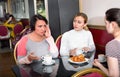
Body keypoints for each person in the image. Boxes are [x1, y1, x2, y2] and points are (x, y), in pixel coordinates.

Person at [93, 8, 120, 77]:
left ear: (113, 24)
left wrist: (99, 65)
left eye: (106, 23)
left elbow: (114, 76)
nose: (105, 26)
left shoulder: (112, 45)